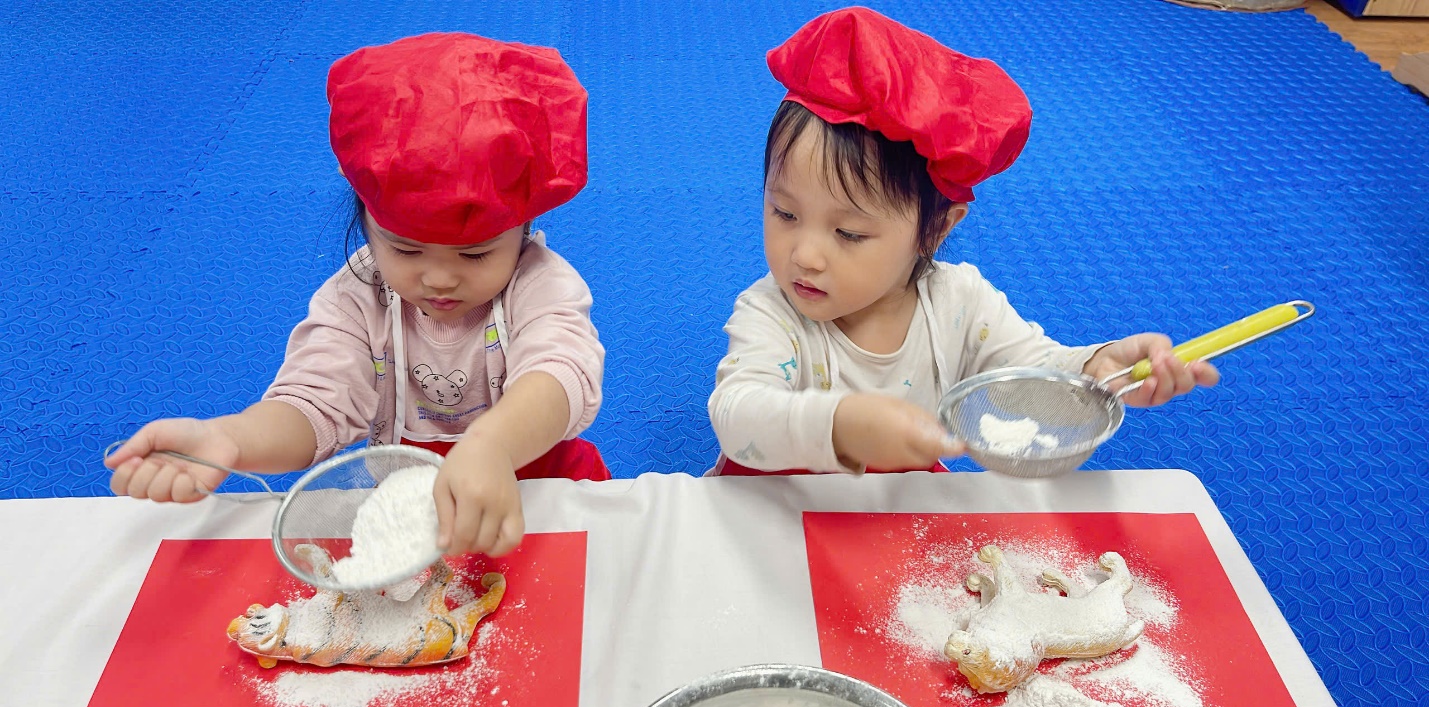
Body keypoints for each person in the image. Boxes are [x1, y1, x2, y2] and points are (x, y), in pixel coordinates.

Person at [105, 32, 607, 557]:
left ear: (522, 228)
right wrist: (231, 439)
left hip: (547, 492)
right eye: (406, 250)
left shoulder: (540, 284)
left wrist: (493, 447)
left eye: (475, 254)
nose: (439, 279)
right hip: (419, 506)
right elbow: (312, 405)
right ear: (367, 222)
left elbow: (559, 373)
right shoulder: (358, 298)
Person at [708, 7, 1217, 476]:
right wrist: (841, 426)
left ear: (935, 229)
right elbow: (737, 416)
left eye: (849, 233)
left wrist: (1093, 373)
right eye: (785, 213)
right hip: (772, 509)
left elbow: (1029, 376)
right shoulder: (773, 313)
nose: (804, 255)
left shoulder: (960, 305)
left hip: (894, 513)